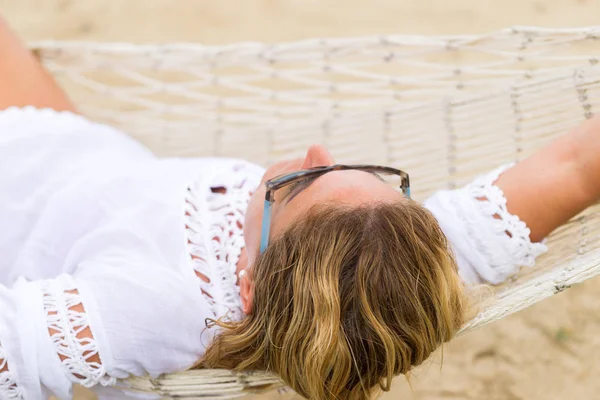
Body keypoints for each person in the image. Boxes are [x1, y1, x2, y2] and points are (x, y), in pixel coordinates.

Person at [0, 16, 598, 400]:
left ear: (253, 285)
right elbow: (575, 167)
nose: (317, 149)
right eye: (368, 173)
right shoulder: (396, 265)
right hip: (73, 143)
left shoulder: (156, 307)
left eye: (305, 180)